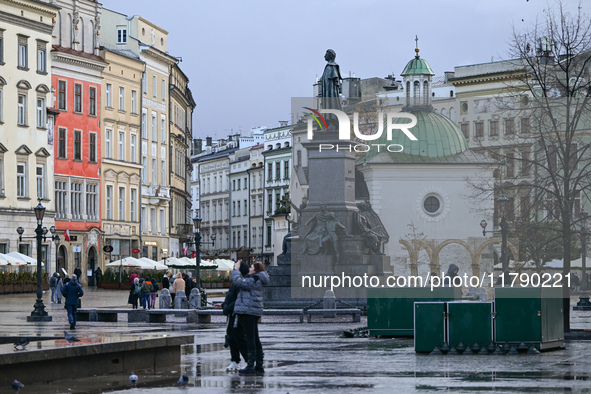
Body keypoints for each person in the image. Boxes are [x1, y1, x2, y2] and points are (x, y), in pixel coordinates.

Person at [232, 261, 270, 375]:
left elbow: (238, 282)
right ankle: (258, 365)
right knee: (255, 338)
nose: (250, 268)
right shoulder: (257, 279)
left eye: (252, 267)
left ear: (256, 270)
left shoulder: (254, 279)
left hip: (248, 311)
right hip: (253, 311)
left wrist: (236, 270)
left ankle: (250, 365)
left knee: (251, 339)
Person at [222, 279, 248, 371]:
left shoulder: (242, 283)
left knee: (239, 338)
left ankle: (249, 360)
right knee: (231, 338)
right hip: (231, 313)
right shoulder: (235, 283)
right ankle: (235, 360)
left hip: (237, 313)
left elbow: (239, 299)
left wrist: (227, 308)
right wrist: (223, 305)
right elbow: (230, 297)